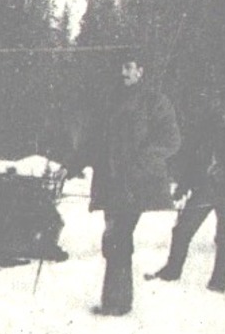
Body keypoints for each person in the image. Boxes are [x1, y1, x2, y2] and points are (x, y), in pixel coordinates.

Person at [69, 49, 181, 316]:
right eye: (122, 68)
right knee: (113, 239)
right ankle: (115, 300)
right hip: (110, 183)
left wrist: (141, 161)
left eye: (130, 68)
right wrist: (72, 164)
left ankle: (117, 303)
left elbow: (171, 139)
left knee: (118, 237)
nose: (124, 73)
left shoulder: (154, 101)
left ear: (141, 71)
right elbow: (94, 141)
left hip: (136, 184)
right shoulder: (110, 101)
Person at [147, 93, 225, 292]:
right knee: (182, 230)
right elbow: (194, 161)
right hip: (204, 190)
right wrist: (183, 187)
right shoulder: (209, 130)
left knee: (223, 237)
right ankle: (172, 271)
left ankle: (219, 282)